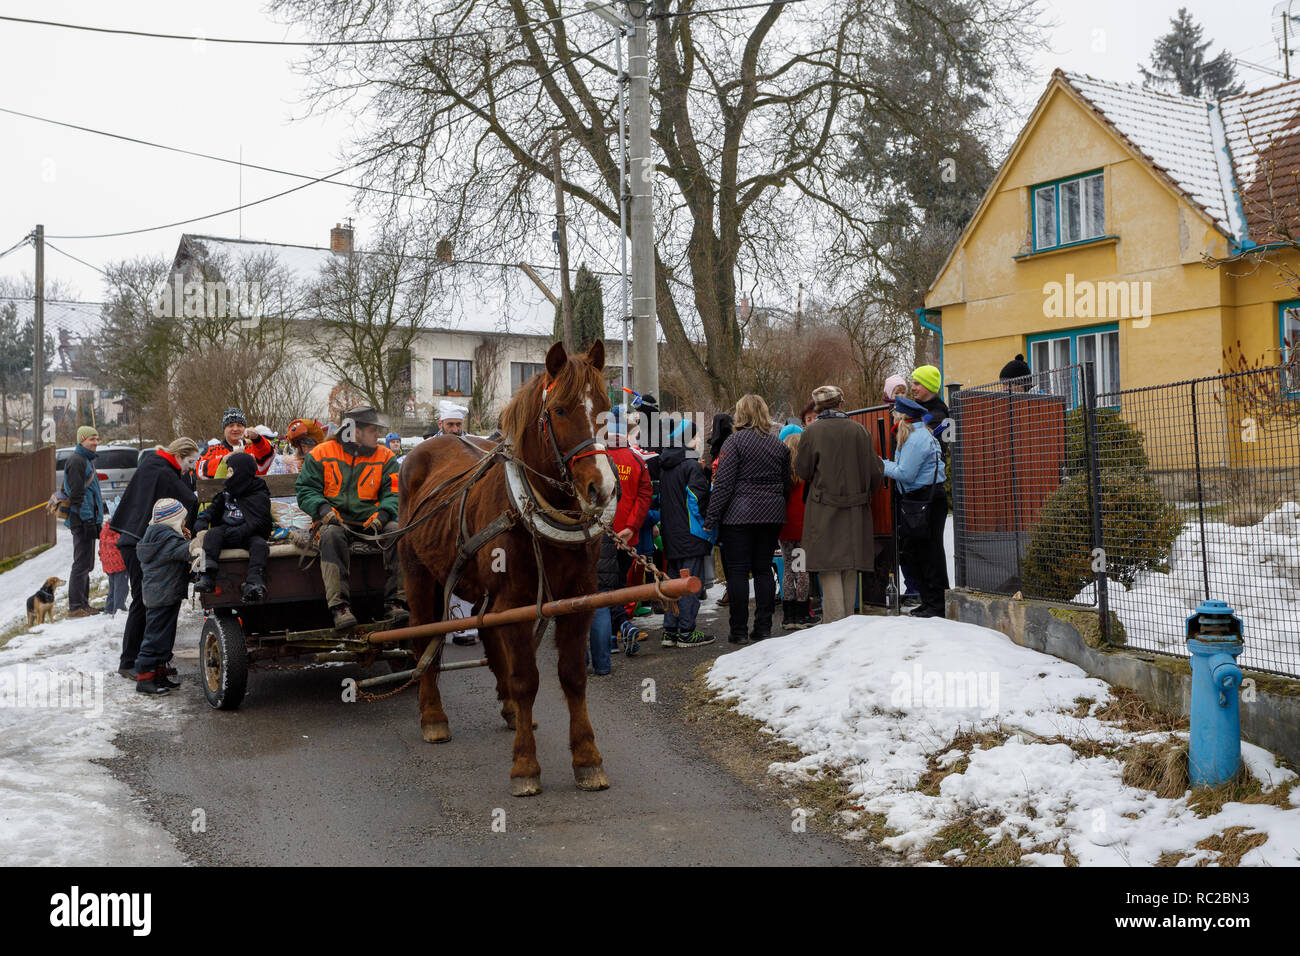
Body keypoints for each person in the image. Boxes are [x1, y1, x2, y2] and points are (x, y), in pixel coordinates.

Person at [296, 406, 407, 630]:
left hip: (373, 521)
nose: (378, 435)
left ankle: (396, 603)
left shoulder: (386, 456)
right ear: (356, 432)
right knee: (331, 535)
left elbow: (395, 491)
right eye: (373, 430)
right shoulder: (321, 453)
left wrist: (384, 514)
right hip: (333, 521)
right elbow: (306, 490)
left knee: (397, 531)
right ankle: (339, 608)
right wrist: (324, 511)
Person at [704, 394, 791, 644]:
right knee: (763, 569)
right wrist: (776, 505)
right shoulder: (779, 445)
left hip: (739, 517)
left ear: (740, 414)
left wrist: (712, 517)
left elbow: (723, 485)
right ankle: (764, 627)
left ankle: (739, 630)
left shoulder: (734, 443)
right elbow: (786, 485)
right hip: (771, 515)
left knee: (738, 572)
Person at [794, 384, 884, 624]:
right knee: (850, 566)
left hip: (823, 509)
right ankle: (848, 626)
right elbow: (876, 472)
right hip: (856, 511)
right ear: (841, 403)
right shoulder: (860, 431)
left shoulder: (811, 433)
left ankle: (834, 627)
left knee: (829, 566)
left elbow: (802, 470)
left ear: (817, 406)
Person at [111, 438, 200, 679]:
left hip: (137, 540)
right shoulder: (161, 469)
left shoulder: (155, 465)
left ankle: (149, 660)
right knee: (143, 599)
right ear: (180, 455)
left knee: (145, 599)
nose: (191, 467)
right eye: (190, 461)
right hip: (136, 542)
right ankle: (131, 661)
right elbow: (190, 500)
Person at [593, 405, 653, 659]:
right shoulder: (638, 460)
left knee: (602, 590)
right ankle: (621, 629)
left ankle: (612, 639)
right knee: (619, 586)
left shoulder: (596, 461)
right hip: (629, 538)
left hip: (600, 537)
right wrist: (631, 527)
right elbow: (645, 495)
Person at [884, 396, 949, 619]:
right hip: (925, 499)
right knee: (917, 552)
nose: (892, 415)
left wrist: (881, 465)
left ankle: (936, 605)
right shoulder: (917, 435)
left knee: (929, 553)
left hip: (925, 500)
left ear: (903, 416)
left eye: (895, 413)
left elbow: (905, 473)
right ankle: (929, 601)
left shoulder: (915, 439)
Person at [657, 419, 715, 648]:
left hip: (671, 535)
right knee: (690, 581)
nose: (699, 440)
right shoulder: (691, 465)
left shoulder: (665, 465)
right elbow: (697, 500)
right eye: (695, 436)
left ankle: (670, 629)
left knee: (673, 583)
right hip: (691, 533)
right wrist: (707, 526)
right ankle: (687, 631)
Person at [193, 452, 272, 603]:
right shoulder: (228, 491)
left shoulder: (258, 493)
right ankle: (207, 575)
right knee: (212, 535)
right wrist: (203, 518)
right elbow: (214, 508)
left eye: (231, 471)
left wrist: (241, 532)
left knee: (260, 546)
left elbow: (260, 521)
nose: (228, 475)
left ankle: (254, 581)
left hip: (249, 533)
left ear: (241, 472)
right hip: (227, 530)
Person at [134, 498, 193, 696]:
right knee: (154, 638)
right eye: (182, 520)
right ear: (173, 520)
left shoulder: (156, 536)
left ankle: (159, 674)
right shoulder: (167, 539)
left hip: (162, 595)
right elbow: (184, 552)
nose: (185, 524)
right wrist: (197, 542)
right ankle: (144, 678)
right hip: (163, 595)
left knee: (163, 637)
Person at [777, 425, 817, 630]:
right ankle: (802, 614)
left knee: (787, 570)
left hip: (785, 529)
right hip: (802, 528)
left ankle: (788, 615)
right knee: (801, 570)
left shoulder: (780, 472)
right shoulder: (806, 472)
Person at [64, 425, 106, 618]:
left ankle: (84, 603)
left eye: (97, 439)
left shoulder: (87, 460)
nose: (95, 443)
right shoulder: (77, 461)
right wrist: (87, 519)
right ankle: (75, 606)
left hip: (88, 518)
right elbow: (78, 495)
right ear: (81, 440)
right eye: (91, 439)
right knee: (80, 563)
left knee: (87, 564)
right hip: (81, 520)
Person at [196, 407, 276, 479]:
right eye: (231, 425)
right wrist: (224, 461)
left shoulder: (253, 448)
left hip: (251, 493)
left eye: (239, 425)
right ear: (224, 429)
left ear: (244, 428)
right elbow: (200, 470)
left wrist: (257, 438)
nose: (235, 429)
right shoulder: (212, 450)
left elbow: (268, 458)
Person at [910, 365, 951, 441]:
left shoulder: (938, 416)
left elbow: (916, 444)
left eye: (917, 383)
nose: (912, 388)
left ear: (929, 385)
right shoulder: (915, 410)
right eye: (912, 384)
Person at [99, 517, 129, 616]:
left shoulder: (105, 530)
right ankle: (119, 609)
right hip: (119, 564)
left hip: (108, 564)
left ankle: (109, 607)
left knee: (113, 586)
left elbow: (101, 547)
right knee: (121, 587)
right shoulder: (120, 531)